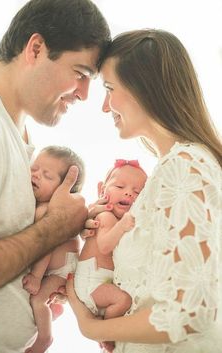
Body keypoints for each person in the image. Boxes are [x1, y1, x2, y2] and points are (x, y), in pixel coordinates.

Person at [66, 29, 222, 353]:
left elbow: (189, 312)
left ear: (145, 89)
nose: (105, 107)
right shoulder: (168, 171)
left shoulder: (185, 166)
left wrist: (92, 326)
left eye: (109, 89)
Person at [0, 0, 110, 351]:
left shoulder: (18, 133)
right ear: (36, 49)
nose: (85, 95)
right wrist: (56, 227)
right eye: (81, 74)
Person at [74, 159, 147, 351]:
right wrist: (122, 226)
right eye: (120, 186)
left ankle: (105, 326)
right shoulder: (105, 217)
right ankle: (106, 335)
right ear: (101, 190)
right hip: (92, 281)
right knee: (123, 301)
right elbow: (105, 246)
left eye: (138, 192)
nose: (129, 193)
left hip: (100, 282)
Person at [22, 145, 85, 353]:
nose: (36, 175)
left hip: (61, 271)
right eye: (34, 168)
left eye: (47, 175)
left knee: (38, 299)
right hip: (60, 269)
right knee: (46, 302)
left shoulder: (47, 211)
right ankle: (54, 311)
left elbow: (46, 246)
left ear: (63, 189)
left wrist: (37, 277)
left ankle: (44, 340)